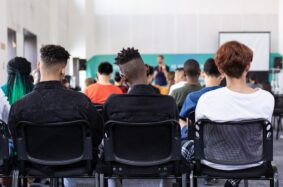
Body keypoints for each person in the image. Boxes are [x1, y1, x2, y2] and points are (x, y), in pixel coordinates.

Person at [182, 41, 275, 187]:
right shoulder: (266, 98)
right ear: (248, 66)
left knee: (186, 145)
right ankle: (234, 179)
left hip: (213, 162)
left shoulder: (206, 100)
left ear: (220, 69)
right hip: (254, 162)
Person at [8, 44, 103, 158]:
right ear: (63, 71)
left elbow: (16, 141)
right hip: (76, 163)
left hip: (34, 164)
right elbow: (97, 135)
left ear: (38, 65)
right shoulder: (81, 102)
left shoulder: (19, 106)